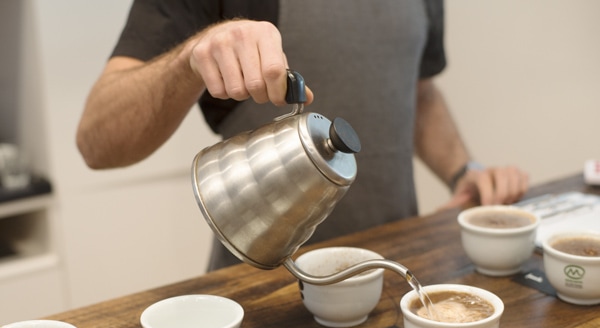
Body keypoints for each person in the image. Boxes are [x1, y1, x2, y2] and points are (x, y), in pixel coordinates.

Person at [76, 0, 529, 270]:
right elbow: (96, 141)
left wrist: (462, 170)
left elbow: (418, 93)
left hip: (390, 274)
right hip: (261, 295)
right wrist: (188, 59)